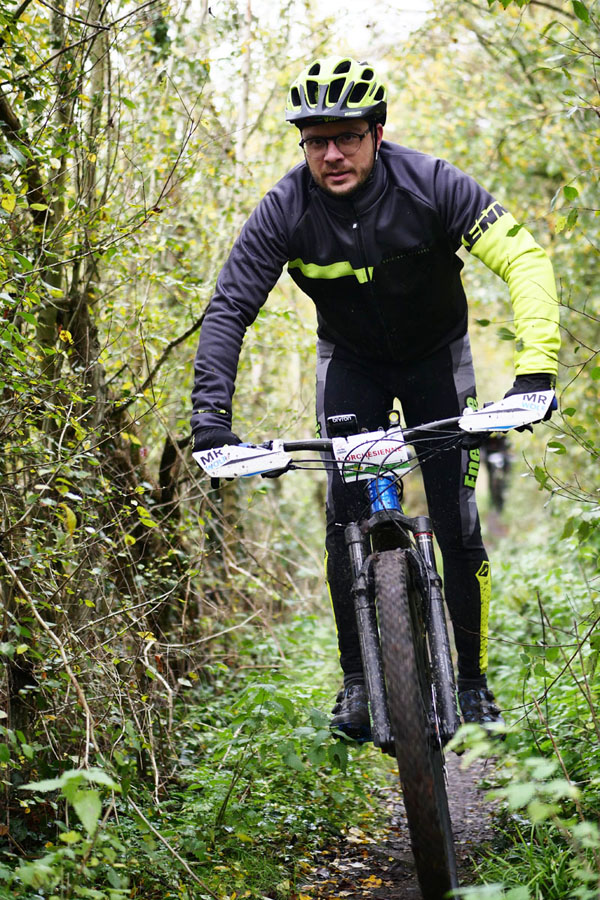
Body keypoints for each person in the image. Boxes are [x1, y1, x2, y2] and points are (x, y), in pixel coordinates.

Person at [190, 56, 560, 739]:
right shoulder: (285, 209)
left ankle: (473, 683)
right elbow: (229, 309)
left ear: (378, 133)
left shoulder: (431, 184)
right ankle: (358, 681)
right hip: (353, 365)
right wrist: (210, 421)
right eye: (315, 141)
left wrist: (535, 373)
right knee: (345, 520)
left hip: (435, 361)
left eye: (347, 137)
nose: (331, 155)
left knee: (455, 522)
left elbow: (525, 258)